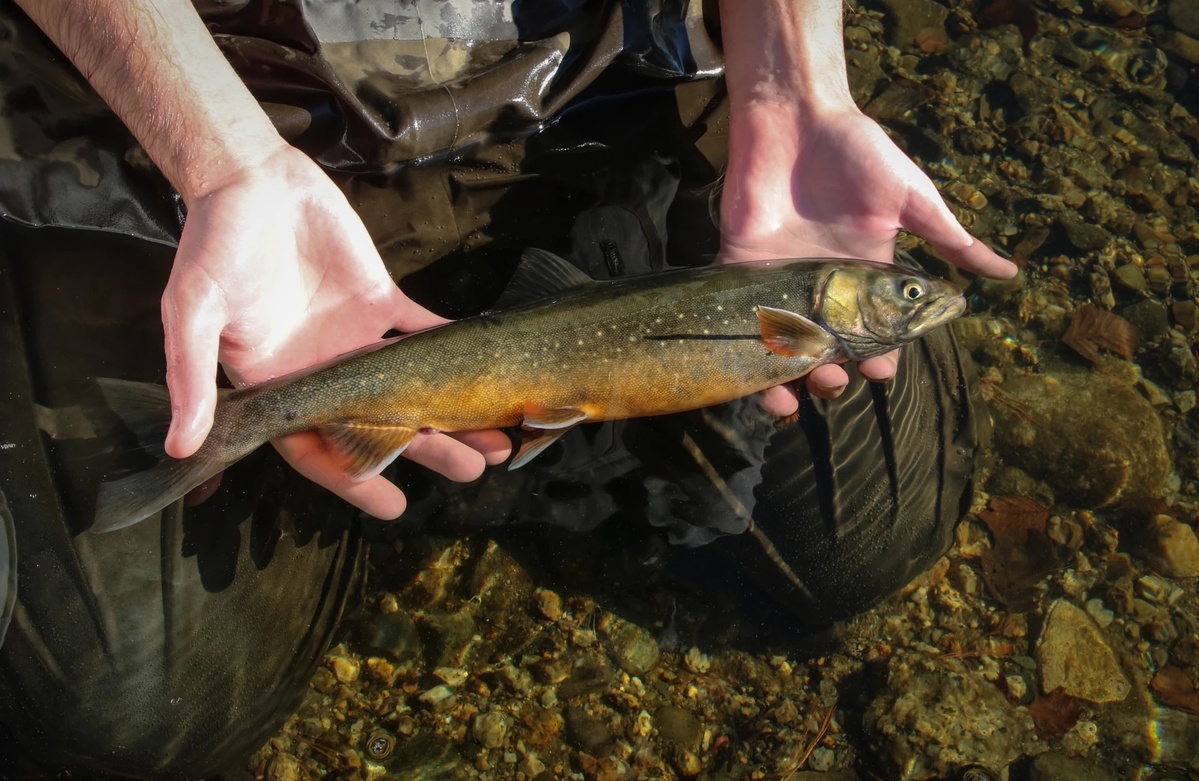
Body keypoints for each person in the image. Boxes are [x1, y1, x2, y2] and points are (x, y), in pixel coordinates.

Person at [15, 0, 1016, 521]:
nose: (917, 298)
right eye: (907, 291)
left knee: (863, 537)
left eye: (907, 294)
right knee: (133, 715)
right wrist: (219, 156)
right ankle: (229, 428)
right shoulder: (795, 332)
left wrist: (795, 84)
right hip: (251, 115)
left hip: (626, 95)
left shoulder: (801, 321)